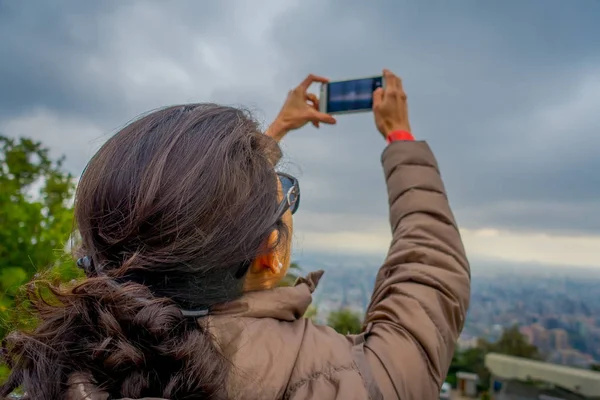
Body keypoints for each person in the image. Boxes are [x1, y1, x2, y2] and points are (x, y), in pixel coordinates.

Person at [0, 69, 470, 400]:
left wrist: (278, 130)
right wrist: (400, 137)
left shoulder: (62, 367)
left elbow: (186, 213)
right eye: (282, 195)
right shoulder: (361, 380)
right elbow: (429, 265)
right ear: (269, 255)